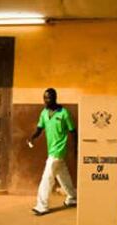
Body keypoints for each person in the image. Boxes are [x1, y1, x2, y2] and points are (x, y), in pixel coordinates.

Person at [28, 88, 77, 216]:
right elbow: (39, 128)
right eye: (44, 97)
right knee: (62, 174)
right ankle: (72, 197)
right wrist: (33, 137)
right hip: (52, 150)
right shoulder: (44, 113)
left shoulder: (64, 113)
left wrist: (77, 149)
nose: (46, 100)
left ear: (55, 98)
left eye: (48, 98)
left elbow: (73, 132)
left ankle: (42, 206)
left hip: (58, 150)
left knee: (47, 177)